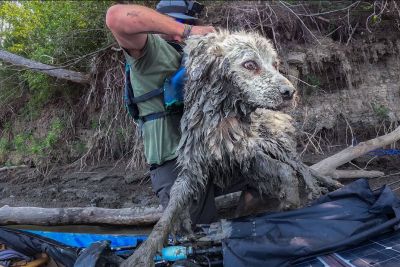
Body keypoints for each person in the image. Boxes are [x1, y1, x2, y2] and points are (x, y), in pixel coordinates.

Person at [106, 1, 221, 224]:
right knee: (196, 240)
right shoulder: (148, 50)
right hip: (175, 165)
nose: (181, 32)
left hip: (210, 157)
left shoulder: (198, 56)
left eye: (187, 23)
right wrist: (186, 31)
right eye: (177, 24)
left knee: (270, 172)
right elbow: (115, 17)